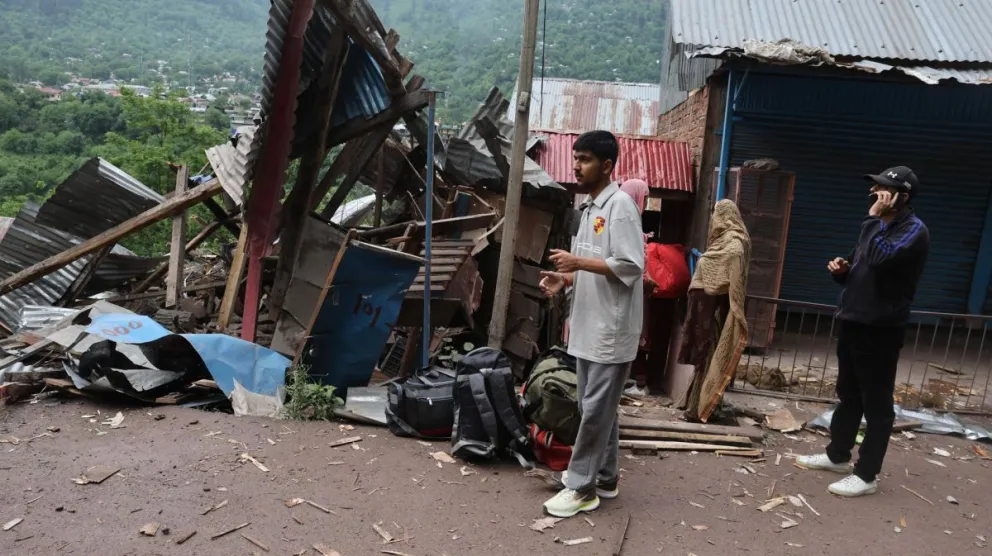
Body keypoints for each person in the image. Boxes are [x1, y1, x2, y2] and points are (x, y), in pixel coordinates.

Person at [798, 166, 929, 497]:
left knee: (877, 404)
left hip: (880, 328)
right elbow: (863, 264)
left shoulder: (913, 231)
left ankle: (866, 474)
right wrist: (842, 272)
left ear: (903, 197)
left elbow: (882, 259)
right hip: (853, 321)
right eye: (876, 189)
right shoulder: (877, 228)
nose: (876, 194)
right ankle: (837, 456)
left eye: (884, 190)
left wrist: (873, 219)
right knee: (849, 395)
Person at [538, 130, 645, 517]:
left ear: (607, 165)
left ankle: (581, 486)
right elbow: (593, 264)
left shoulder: (620, 207)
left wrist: (577, 264)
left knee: (596, 408)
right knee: (596, 406)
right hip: (588, 324)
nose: (576, 166)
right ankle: (605, 476)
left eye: (584, 159)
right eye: (575, 157)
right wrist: (565, 278)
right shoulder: (591, 209)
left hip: (610, 330)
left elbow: (632, 266)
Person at [617, 179, 656, 397]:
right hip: (628, 290)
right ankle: (632, 382)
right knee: (633, 332)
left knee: (638, 332)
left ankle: (635, 383)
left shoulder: (633, 224)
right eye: (645, 198)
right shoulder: (625, 223)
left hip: (636, 289)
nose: (646, 203)